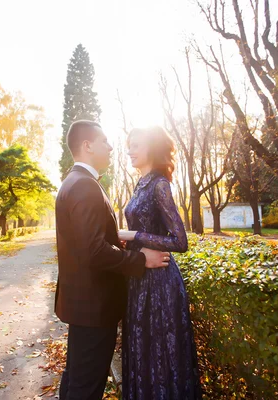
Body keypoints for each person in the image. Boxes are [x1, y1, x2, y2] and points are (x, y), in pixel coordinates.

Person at [55, 120, 171, 400]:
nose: (110, 147)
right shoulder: (85, 186)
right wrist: (140, 259)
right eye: (104, 141)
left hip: (83, 306)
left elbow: (85, 244)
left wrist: (112, 242)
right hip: (95, 308)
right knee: (85, 388)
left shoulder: (75, 182)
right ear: (87, 146)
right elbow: (94, 251)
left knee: (75, 381)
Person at [119, 126, 202, 399]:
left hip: (160, 283)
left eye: (136, 145)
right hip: (140, 279)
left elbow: (180, 241)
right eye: (129, 145)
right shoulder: (140, 183)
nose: (129, 150)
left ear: (152, 148)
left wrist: (133, 235)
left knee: (161, 355)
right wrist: (129, 243)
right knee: (143, 350)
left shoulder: (159, 185)